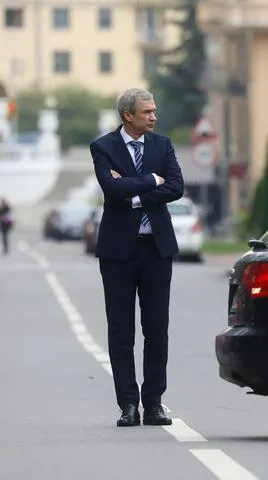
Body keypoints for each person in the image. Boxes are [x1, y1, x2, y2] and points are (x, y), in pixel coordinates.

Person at [89, 88, 184, 427]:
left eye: (154, 110)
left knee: (157, 329)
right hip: (118, 253)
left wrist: (134, 192)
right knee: (121, 332)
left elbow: (176, 187)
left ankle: (154, 403)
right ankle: (128, 404)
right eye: (147, 112)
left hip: (156, 250)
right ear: (128, 115)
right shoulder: (103, 147)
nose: (153, 117)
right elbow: (111, 190)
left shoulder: (162, 145)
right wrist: (150, 181)